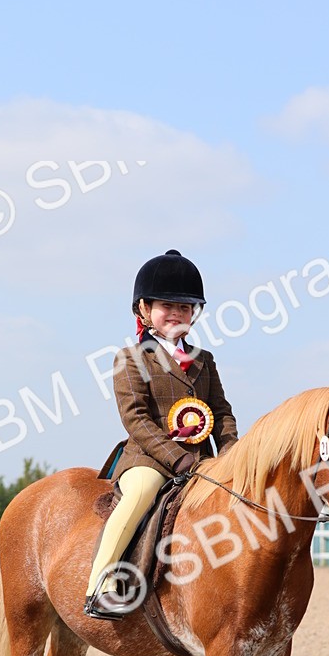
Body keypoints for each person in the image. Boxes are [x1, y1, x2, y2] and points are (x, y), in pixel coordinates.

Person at [84, 249, 238, 619]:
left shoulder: (205, 360)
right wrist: (177, 457)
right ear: (144, 310)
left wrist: (233, 455)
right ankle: (101, 584)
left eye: (184, 308)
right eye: (167, 306)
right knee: (140, 495)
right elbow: (135, 418)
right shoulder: (130, 357)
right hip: (149, 460)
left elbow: (221, 412)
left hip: (203, 461)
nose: (176, 314)